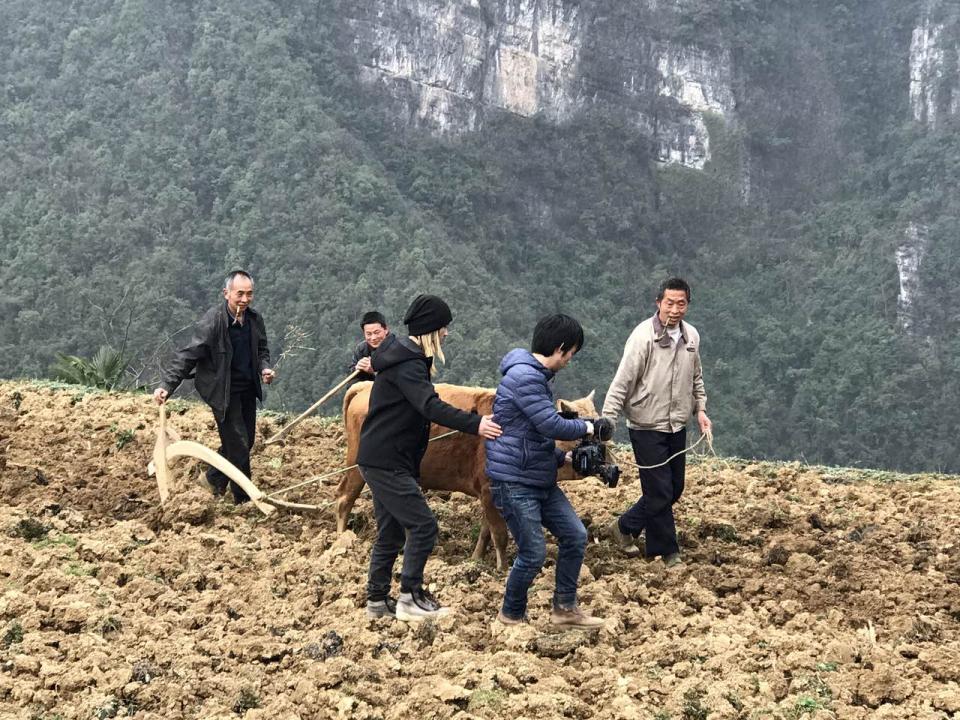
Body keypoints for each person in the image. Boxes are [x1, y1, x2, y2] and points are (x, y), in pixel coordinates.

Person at [357, 294, 502, 622]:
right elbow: (429, 405)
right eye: (443, 327)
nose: (446, 333)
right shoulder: (408, 363)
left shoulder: (402, 356)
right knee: (423, 526)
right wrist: (477, 424)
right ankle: (410, 597)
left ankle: (377, 602)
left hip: (384, 456)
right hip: (387, 460)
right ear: (430, 330)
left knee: (391, 533)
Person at [485, 314, 607, 627]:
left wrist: (562, 459)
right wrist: (590, 426)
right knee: (533, 553)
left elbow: (531, 436)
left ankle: (565, 609)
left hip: (536, 476)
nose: (569, 360)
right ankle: (511, 615)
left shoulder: (536, 377)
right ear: (560, 348)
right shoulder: (525, 377)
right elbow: (550, 424)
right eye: (571, 353)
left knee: (575, 535)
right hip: (515, 481)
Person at [601, 277, 712, 567]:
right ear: (658, 303)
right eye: (669, 303)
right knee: (660, 491)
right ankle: (666, 552)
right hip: (646, 425)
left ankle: (624, 526)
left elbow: (696, 377)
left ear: (688, 305)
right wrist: (608, 421)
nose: (675, 310)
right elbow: (622, 381)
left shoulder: (691, 337)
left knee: (674, 488)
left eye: (681, 304)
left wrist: (700, 410)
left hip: (676, 424)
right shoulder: (643, 337)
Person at [153, 270, 275, 503]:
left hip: (247, 388)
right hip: (222, 392)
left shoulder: (254, 319)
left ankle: (213, 480)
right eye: (240, 294)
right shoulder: (213, 322)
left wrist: (264, 368)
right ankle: (243, 499)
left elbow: (262, 350)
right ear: (226, 293)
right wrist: (168, 384)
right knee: (238, 445)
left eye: (249, 294)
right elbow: (188, 355)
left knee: (244, 441)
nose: (245, 299)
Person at [349, 311, 389, 382]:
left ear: (386, 330)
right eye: (369, 334)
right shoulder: (361, 349)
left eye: (377, 332)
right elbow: (351, 377)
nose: (373, 338)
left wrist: (374, 371)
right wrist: (357, 369)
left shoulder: (398, 348)